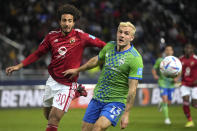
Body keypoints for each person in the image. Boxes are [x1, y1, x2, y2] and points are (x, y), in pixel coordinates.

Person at [5, 4, 106, 131]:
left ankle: (73, 90)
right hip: (52, 81)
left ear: (74, 22)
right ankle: (76, 92)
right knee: (47, 116)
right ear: (59, 21)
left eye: (70, 21)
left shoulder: (81, 36)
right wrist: (19, 65)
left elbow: (102, 44)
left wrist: (115, 51)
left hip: (67, 84)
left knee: (53, 120)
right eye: (64, 20)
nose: (67, 24)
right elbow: (38, 53)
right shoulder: (51, 37)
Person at [63, 22, 143, 131]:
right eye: (120, 32)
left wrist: (126, 114)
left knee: (98, 128)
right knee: (85, 129)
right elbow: (96, 60)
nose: (122, 35)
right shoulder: (109, 46)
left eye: (126, 33)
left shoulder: (135, 58)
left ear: (132, 38)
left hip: (116, 101)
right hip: (97, 98)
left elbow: (132, 89)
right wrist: (78, 70)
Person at [152, 45, 178, 125]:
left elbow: (179, 71)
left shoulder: (176, 61)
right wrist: (155, 75)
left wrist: (176, 78)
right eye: (167, 50)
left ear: (172, 52)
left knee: (169, 102)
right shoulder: (160, 60)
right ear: (165, 51)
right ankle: (167, 119)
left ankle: (161, 104)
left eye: (170, 50)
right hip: (162, 82)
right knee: (165, 100)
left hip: (171, 84)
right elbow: (153, 69)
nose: (168, 51)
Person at [179, 43, 197, 127]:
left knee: (194, 104)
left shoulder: (196, 59)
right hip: (184, 84)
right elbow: (177, 70)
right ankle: (190, 120)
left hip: (195, 85)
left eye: (189, 48)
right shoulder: (180, 59)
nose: (187, 49)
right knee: (185, 100)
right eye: (186, 47)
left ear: (192, 49)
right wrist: (176, 77)